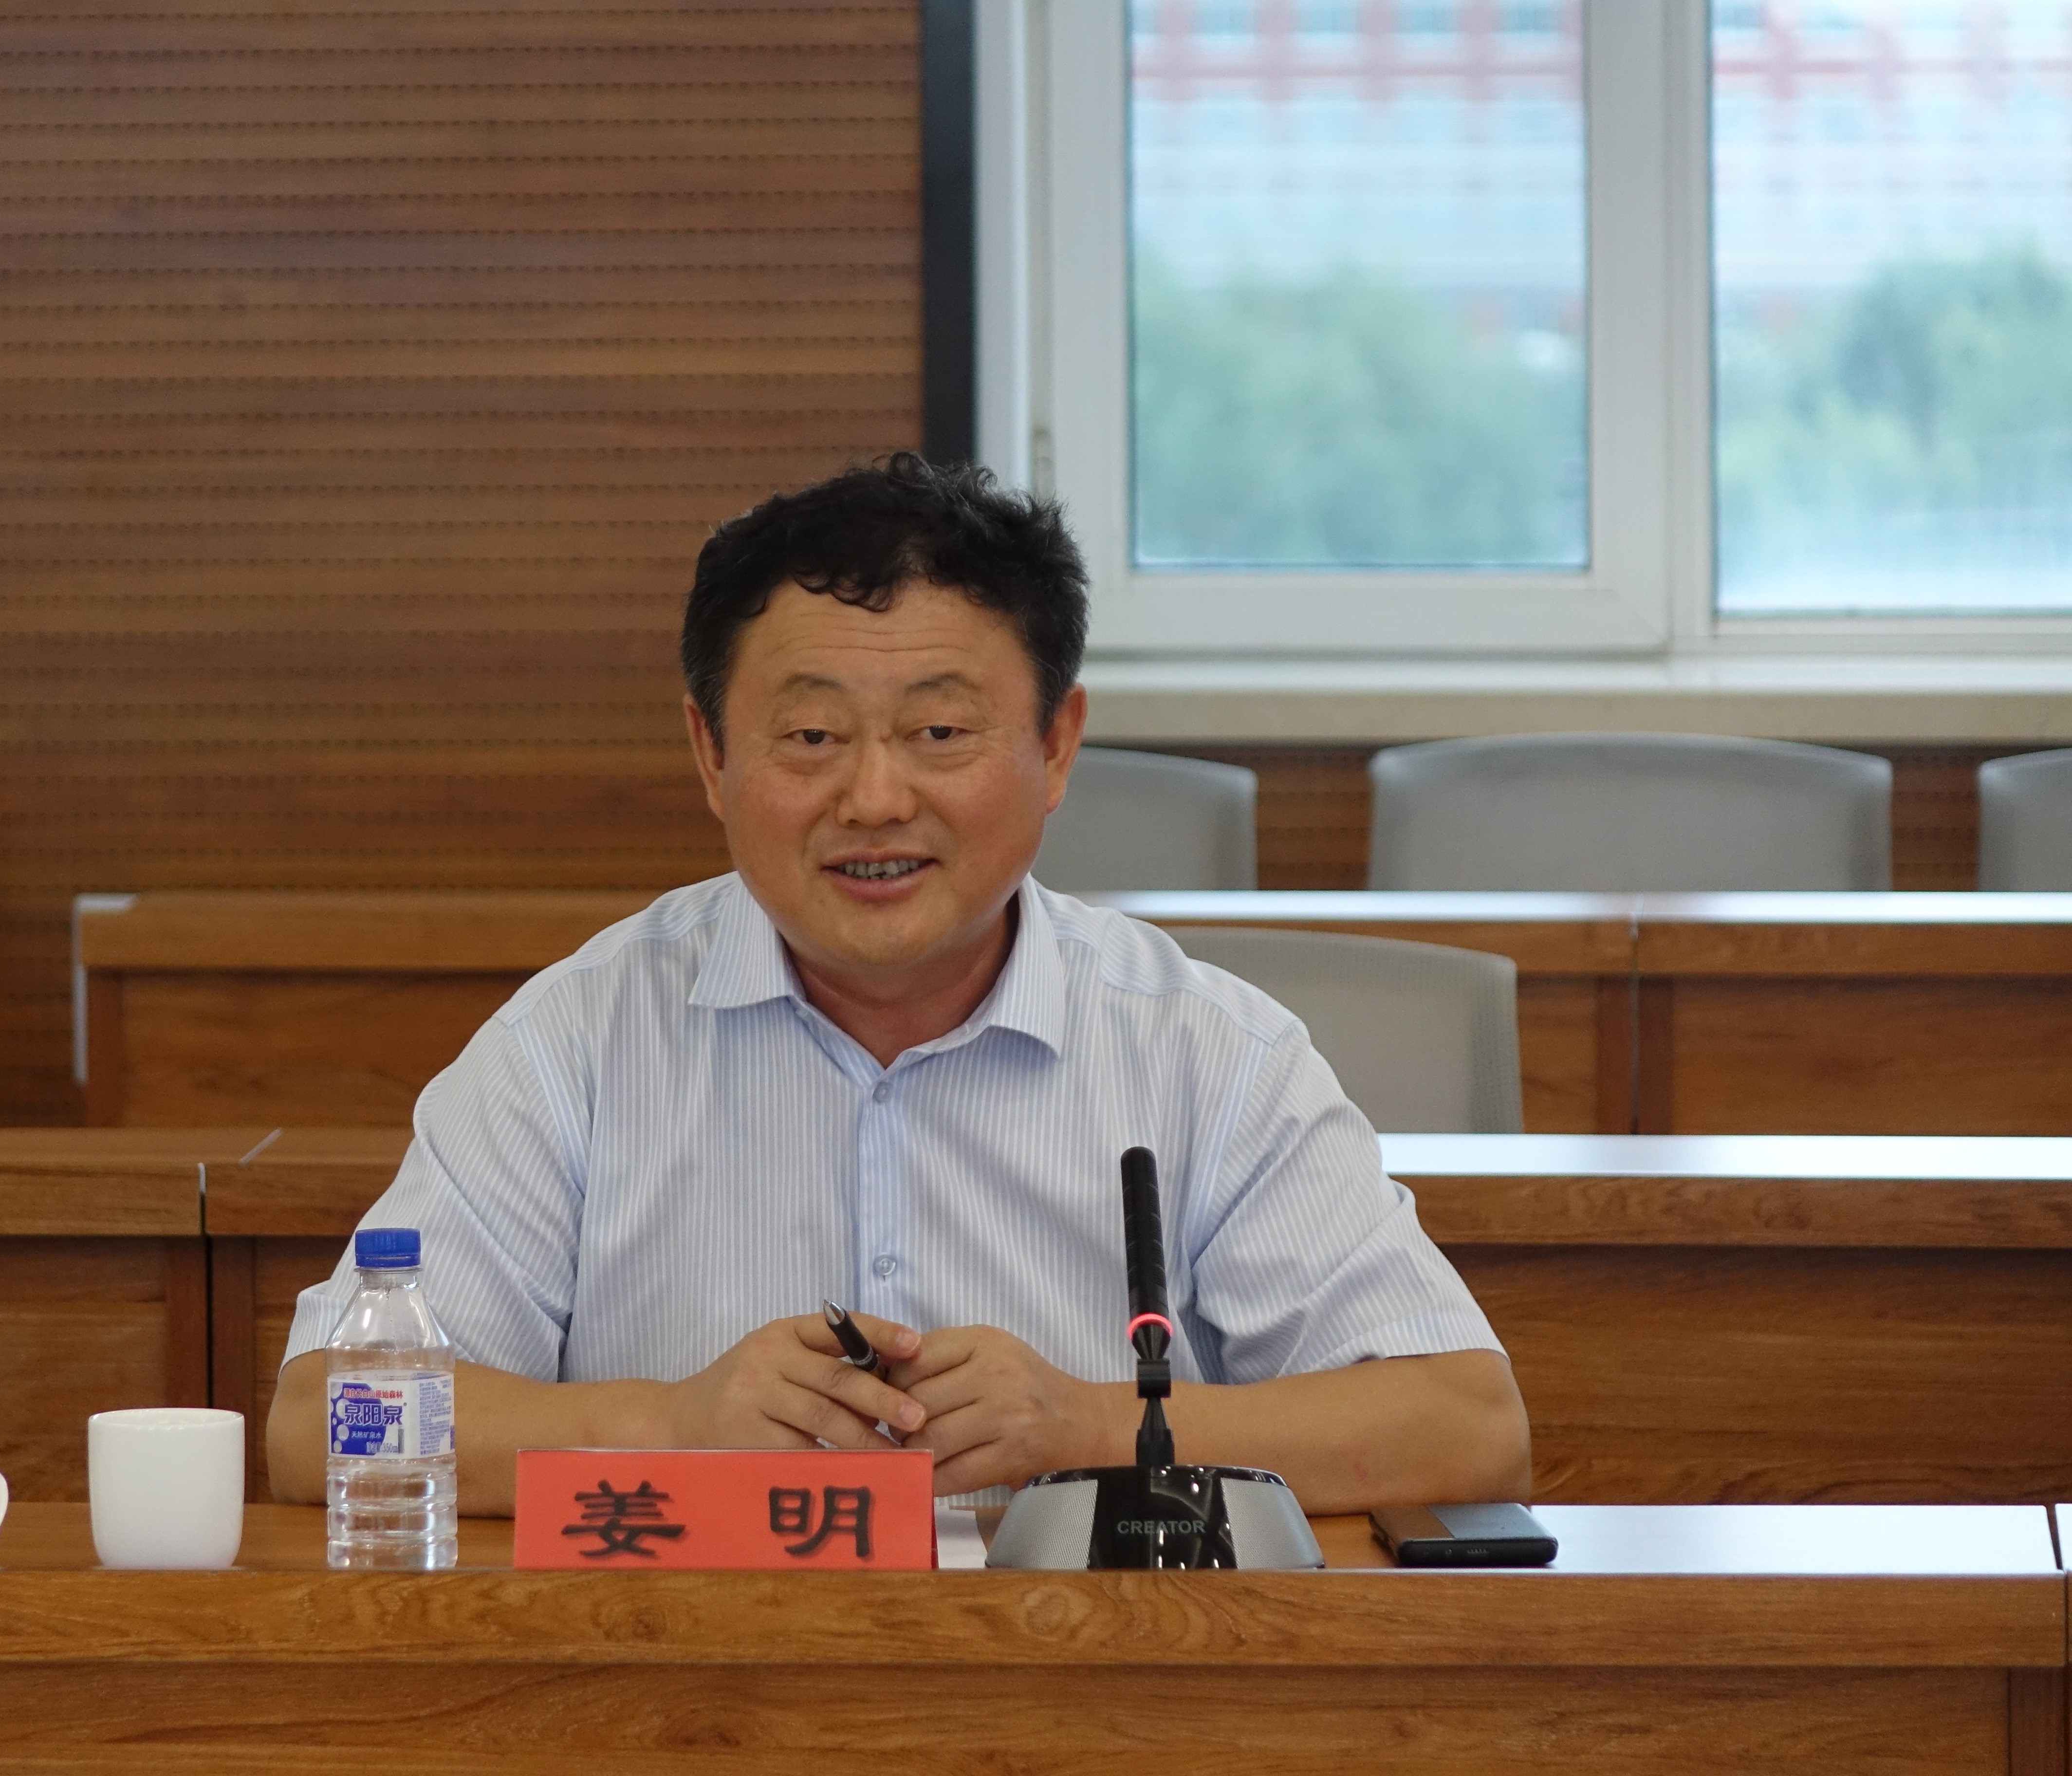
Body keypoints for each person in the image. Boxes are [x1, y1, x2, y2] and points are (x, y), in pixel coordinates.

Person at [269, 454, 1529, 1515]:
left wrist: (1093, 1427)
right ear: (711, 753)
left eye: (939, 733)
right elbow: (322, 1425)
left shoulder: (1203, 1051)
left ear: (1056, 746)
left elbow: (1467, 1424)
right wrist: (669, 1425)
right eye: (813, 737)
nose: (875, 799)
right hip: (691, 1683)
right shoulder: (579, 1041)